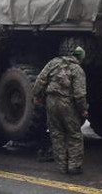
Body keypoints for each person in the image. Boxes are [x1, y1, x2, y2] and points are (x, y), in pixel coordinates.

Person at [33, 46, 88, 175]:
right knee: (74, 134)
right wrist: (83, 109)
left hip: (51, 101)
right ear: (80, 58)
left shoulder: (54, 63)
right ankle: (74, 166)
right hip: (67, 104)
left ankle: (62, 167)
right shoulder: (77, 69)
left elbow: (40, 80)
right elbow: (79, 94)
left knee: (56, 134)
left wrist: (37, 96)